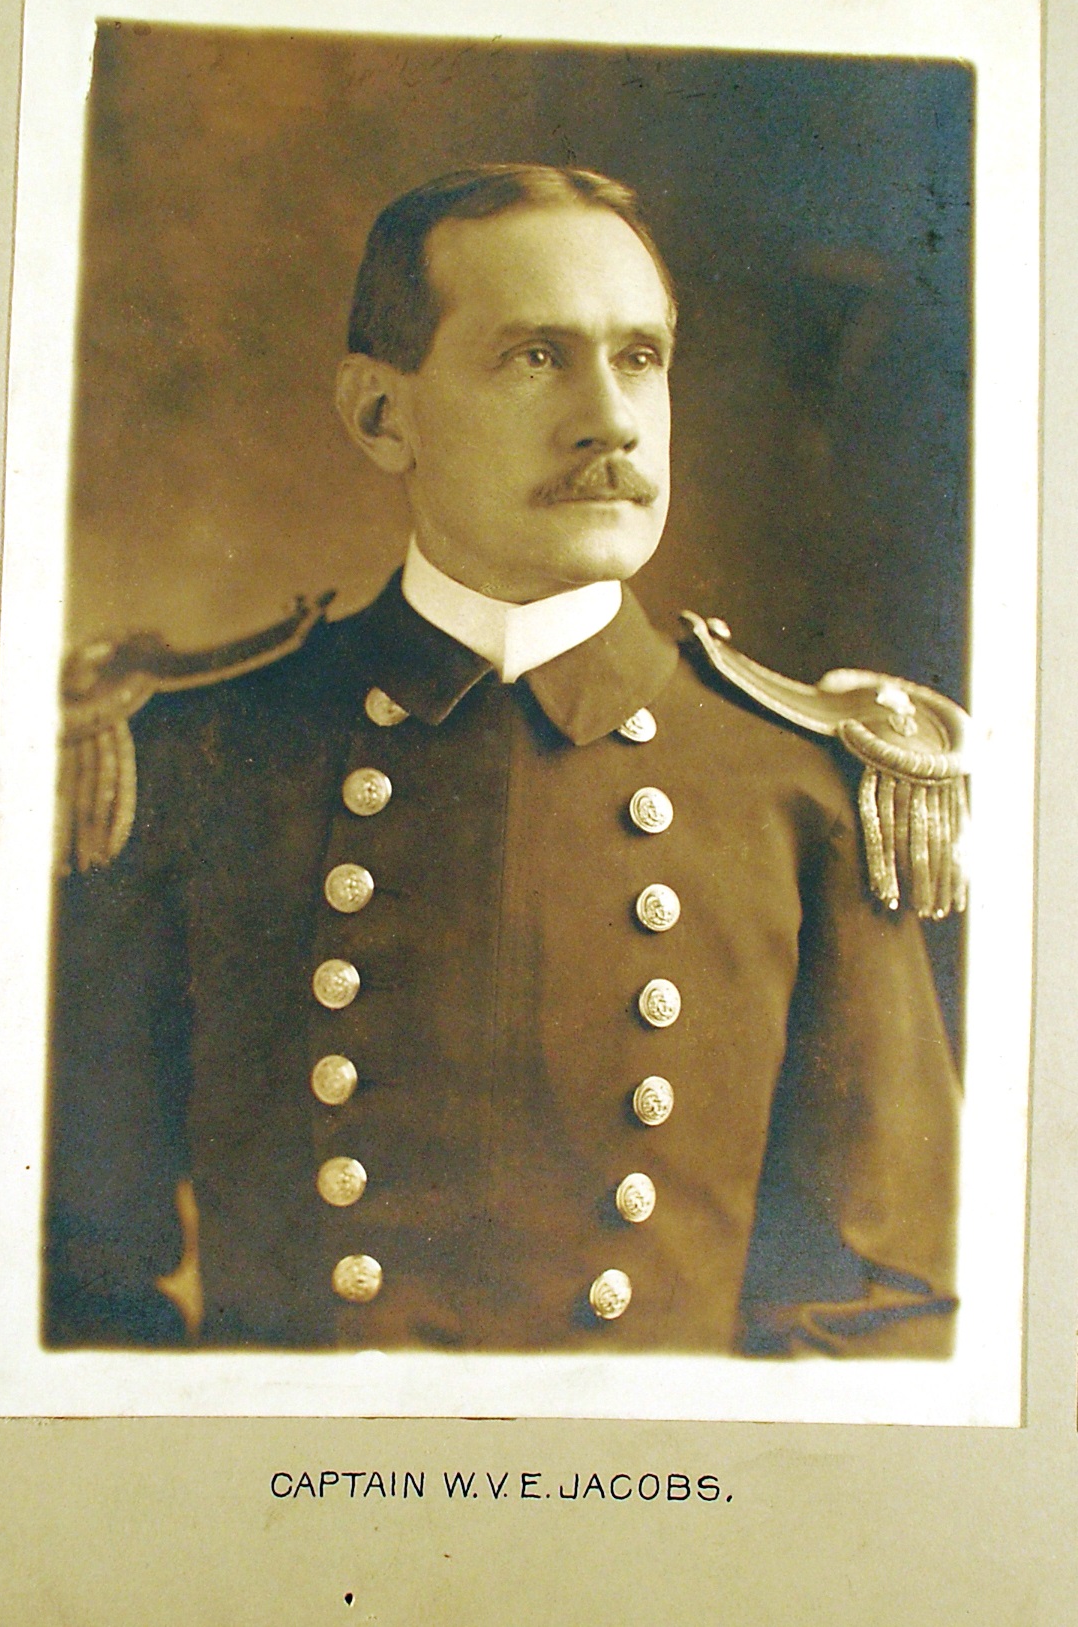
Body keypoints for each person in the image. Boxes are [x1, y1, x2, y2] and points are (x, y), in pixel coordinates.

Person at [48, 164, 965, 1357]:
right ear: (383, 415)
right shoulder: (194, 758)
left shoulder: (805, 789)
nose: (611, 418)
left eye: (638, 357)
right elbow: (69, 1286)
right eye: (536, 356)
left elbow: (884, 1306)